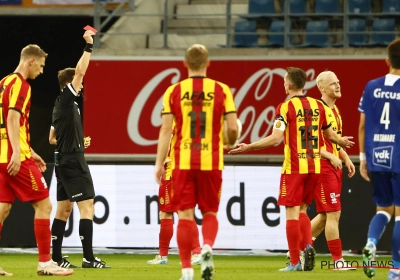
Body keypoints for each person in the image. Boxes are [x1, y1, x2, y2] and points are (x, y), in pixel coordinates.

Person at [229, 67, 354, 272]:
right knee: (304, 211)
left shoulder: (285, 107)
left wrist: (249, 146)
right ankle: (306, 246)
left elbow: (276, 138)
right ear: (305, 84)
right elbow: (330, 136)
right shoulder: (318, 106)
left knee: (291, 214)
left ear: (288, 85)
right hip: (314, 166)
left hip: (295, 167)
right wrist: (341, 142)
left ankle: (295, 260)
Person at [155, 44, 238, 280]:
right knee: (210, 212)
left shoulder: (173, 91)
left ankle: (187, 271)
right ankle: (208, 246)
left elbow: (165, 131)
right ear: (208, 62)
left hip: (181, 161)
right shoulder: (221, 90)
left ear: (185, 64)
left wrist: (159, 163)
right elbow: (232, 128)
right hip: (211, 160)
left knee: (184, 215)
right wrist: (230, 142)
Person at [0, 44, 73, 276]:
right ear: (31, 61)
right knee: (44, 205)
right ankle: (45, 263)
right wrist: (17, 152)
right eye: (40, 66)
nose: (41, 72)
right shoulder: (22, 85)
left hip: (2, 154)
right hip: (14, 157)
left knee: (2, 209)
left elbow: (9, 123)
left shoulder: (4, 82)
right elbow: (12, 118)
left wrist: (30, 150)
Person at [50, 30, 110, 269]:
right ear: (69, 83)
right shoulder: (66, 98)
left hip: (63, 158)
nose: (82, 84)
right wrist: (89, 46)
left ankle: (55, 258)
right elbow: (81, 70)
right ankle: (88, 258)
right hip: (73, 161)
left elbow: (53, 137)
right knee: (88, 207)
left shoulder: (62, 106)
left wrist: (76, 140)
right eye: (77, 81)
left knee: (63, 210)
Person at [358, 38, 400, 280]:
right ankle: (395, 268)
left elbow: (363, 125)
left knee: (383, 209)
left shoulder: (371, 86)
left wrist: (363, 157)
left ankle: (372, 242)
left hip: (377, 155)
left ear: (387, 61)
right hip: (399, 155)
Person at [309, 70, 356, 270]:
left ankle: (297, 249)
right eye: (333, 83)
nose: (338, 86)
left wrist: (346, 158)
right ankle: (338, 260)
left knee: (324, 215)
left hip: (334, 166)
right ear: (321, 88)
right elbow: (309, 143)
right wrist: (330, 156)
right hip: (322, 166)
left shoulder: (334, 111)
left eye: (338, 82)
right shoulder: (316, 109)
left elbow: (335, 141)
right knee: (333, 213)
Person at [147, 125, 202, 266]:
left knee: (166, 214)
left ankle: (165, 255)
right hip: (186, 173)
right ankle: (195, 252)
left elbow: (167, 139)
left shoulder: (173, 123)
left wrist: (162, 161)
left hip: (172, 175)